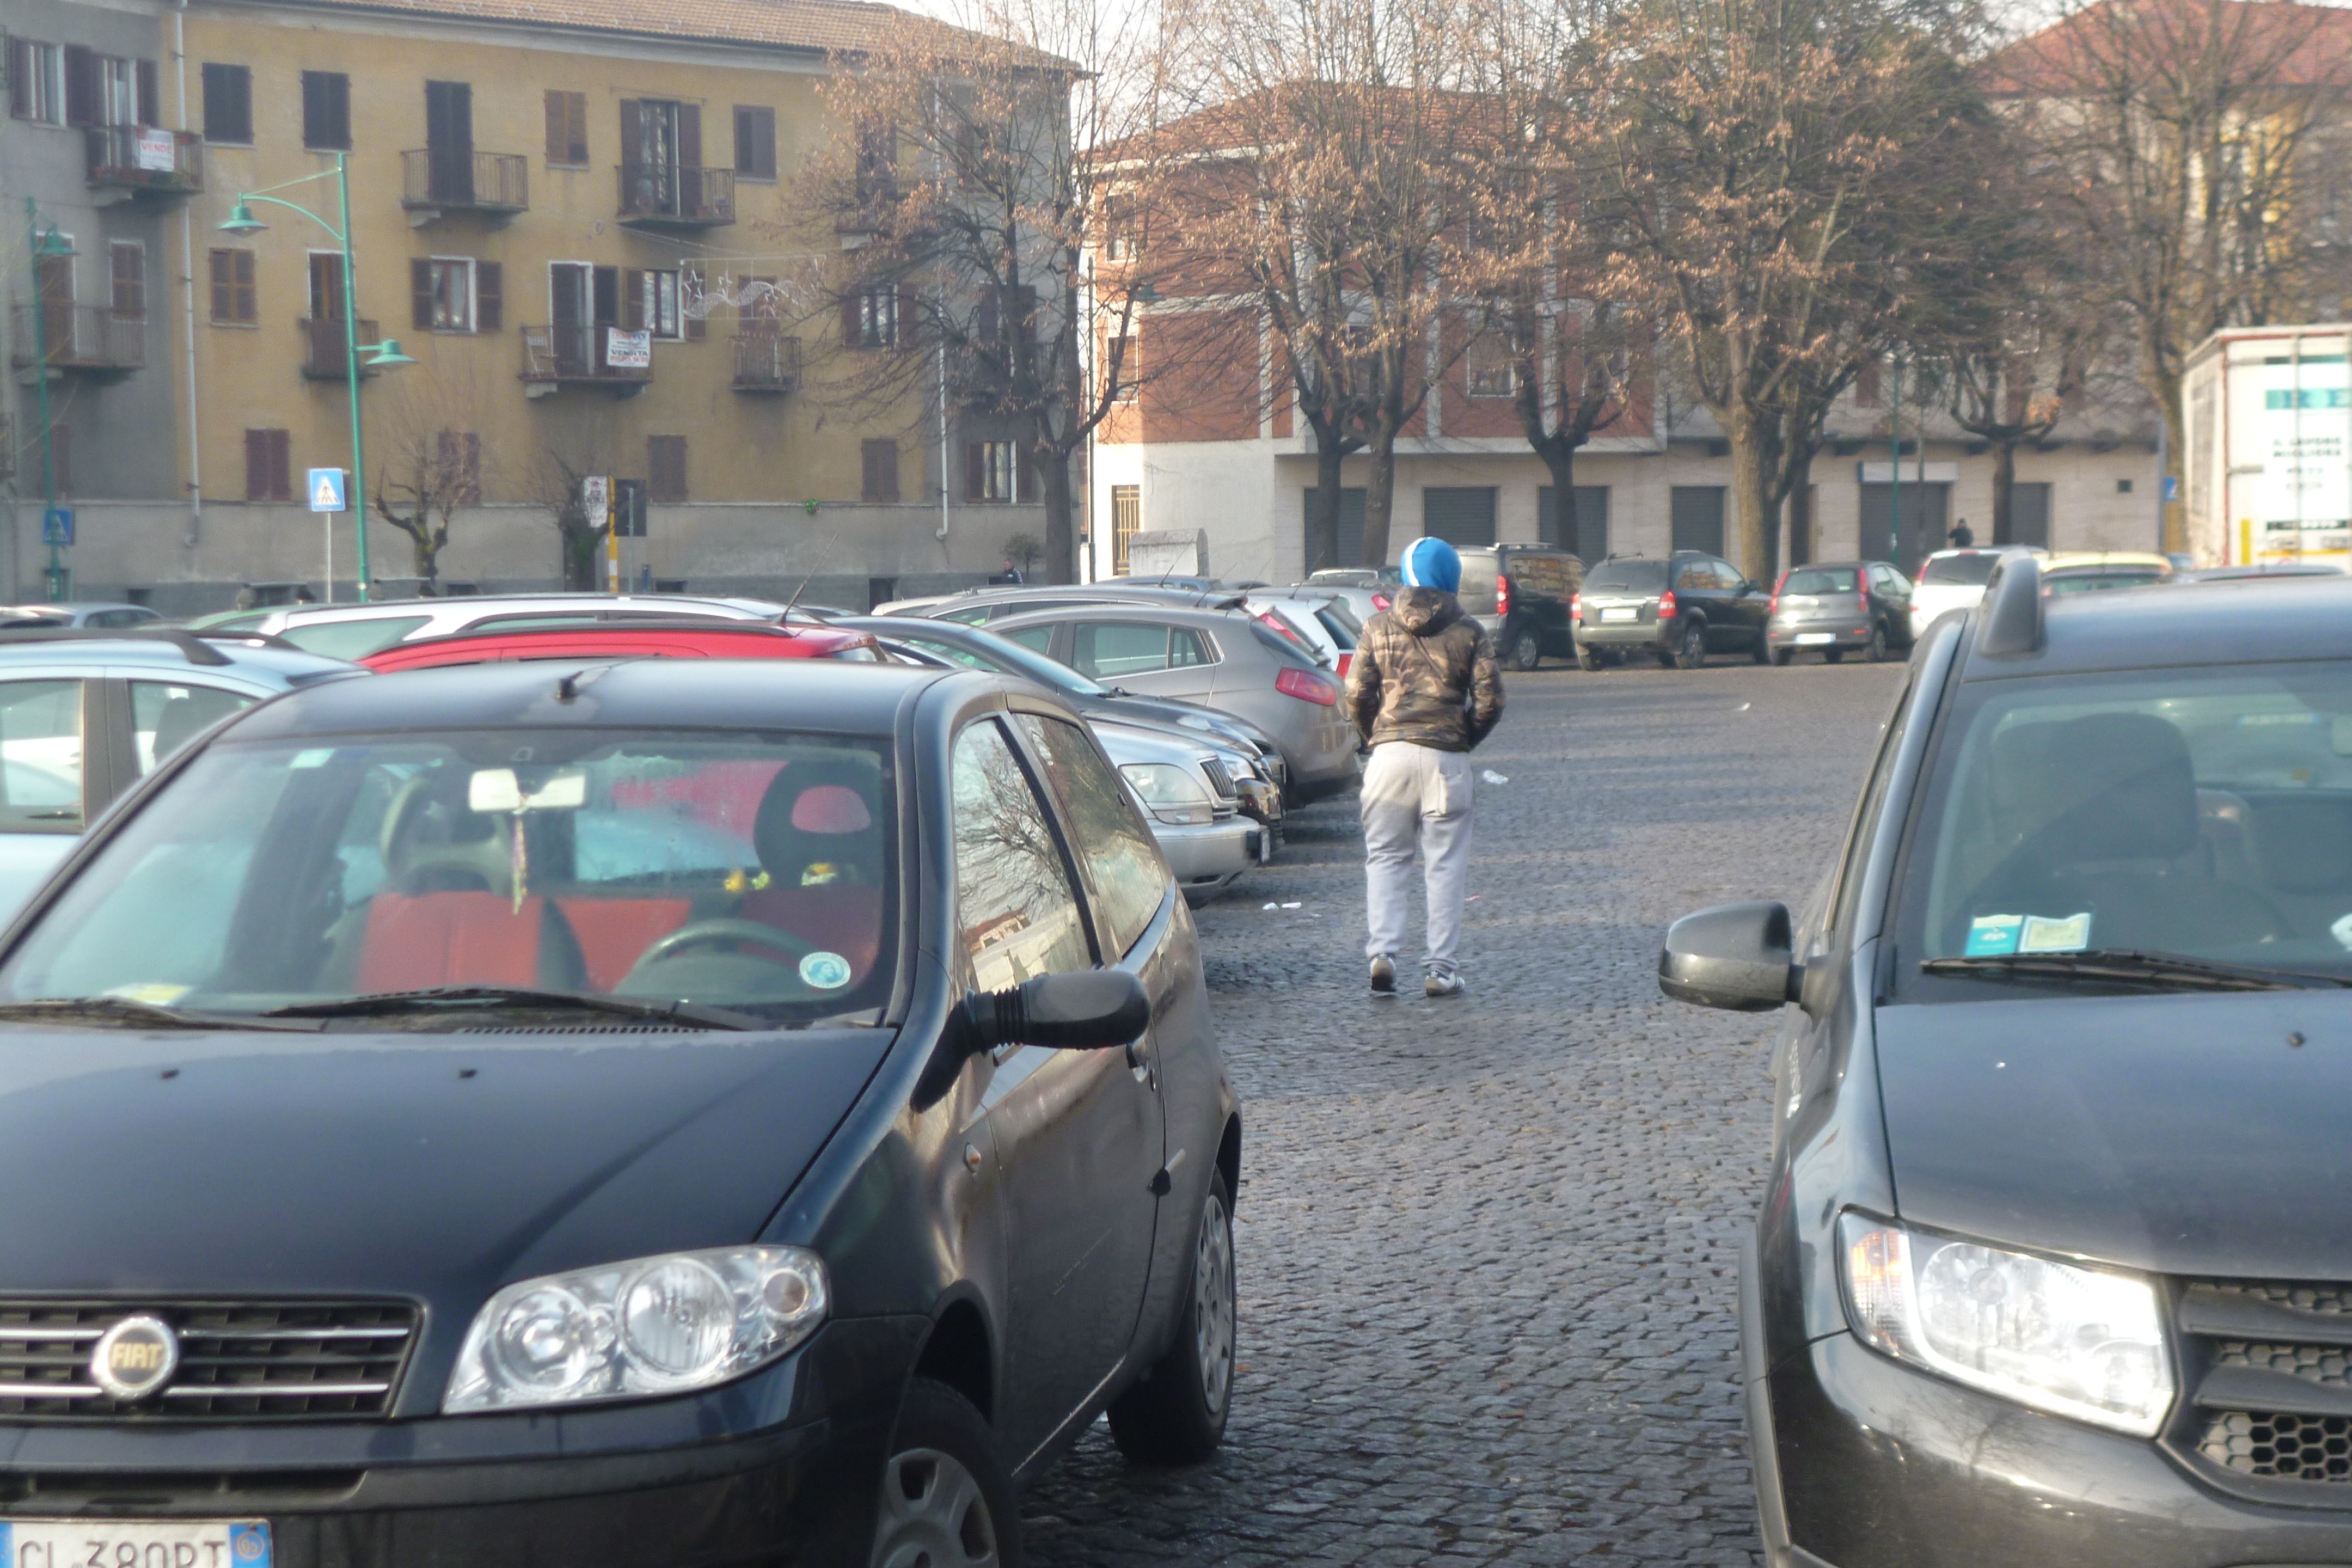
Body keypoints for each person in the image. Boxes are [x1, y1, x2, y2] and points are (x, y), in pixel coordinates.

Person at [1344, 536, 1504, 999]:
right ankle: (1441, 969)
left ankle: (1383, 955)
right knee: (1445, 867)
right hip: (1445, 760)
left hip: (1388, 757)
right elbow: (1492, 699)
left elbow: (1355, 692)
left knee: (1386, 859)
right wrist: (1463, 737)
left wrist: (1373, 734)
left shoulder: (1377, 626)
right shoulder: (1471, 631)